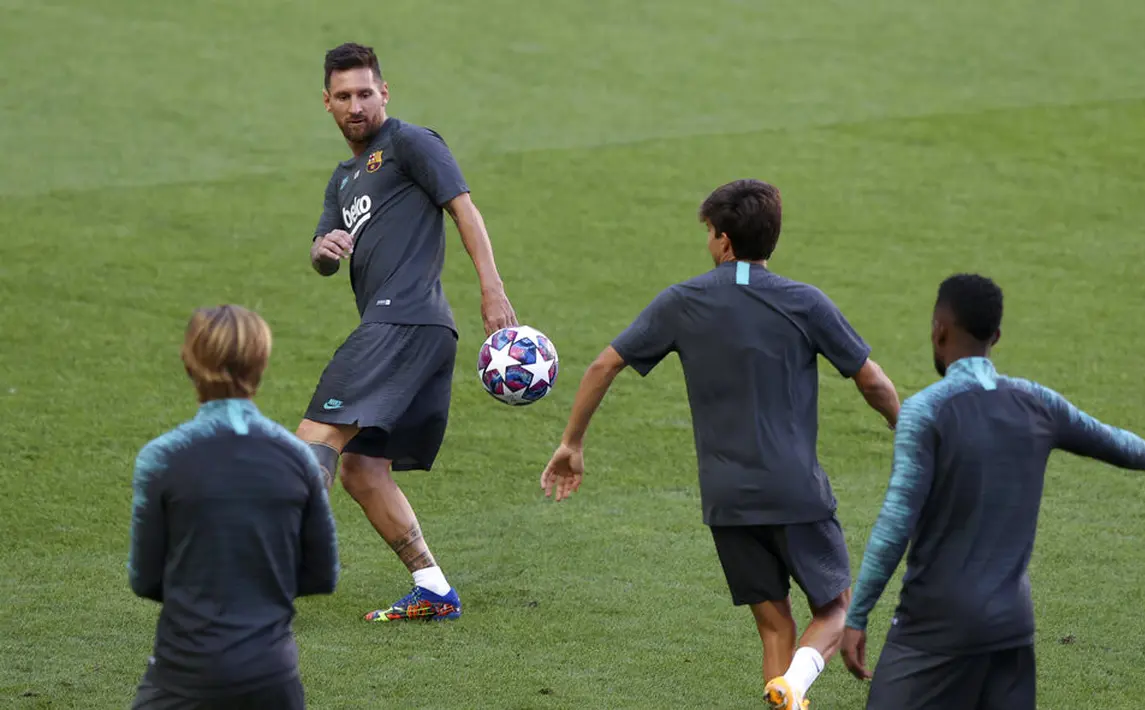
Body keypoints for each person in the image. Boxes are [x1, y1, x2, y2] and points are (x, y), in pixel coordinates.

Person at [539, 179, 902, 709]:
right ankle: (795, 686)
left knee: (774, 624)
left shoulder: (682, 301)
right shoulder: (805, 302)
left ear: (725, 242)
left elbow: (603, 365)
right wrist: (904, 425)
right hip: (795, 491)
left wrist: (572, 442)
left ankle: (785, 692)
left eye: (709, 232)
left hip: (727, 498)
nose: (708, 242)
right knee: (836, 610)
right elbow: (871, 381)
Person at [840, 273, 1145, 710]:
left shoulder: (926, 412)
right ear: (996, 336)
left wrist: (857, 615)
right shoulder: (1037, 403)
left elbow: (896, 522)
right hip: (1009, 625)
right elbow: (1111, 441)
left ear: (938, 330)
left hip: (935, 624)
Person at [298, 42, 518, 622]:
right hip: (418, 332)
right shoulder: (343, 180)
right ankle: (434, 589)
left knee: (311, 446)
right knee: (363, 471)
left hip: (404, 320)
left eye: (365, 93)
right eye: (343, 96)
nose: (356, 106)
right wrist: (324, 250)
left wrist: (491, 289)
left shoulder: (411, 143)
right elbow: (324, 257)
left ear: (384, 92)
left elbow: (464, 209)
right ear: (326, 102)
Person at [127, 305, 339, 710]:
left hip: (184, 673)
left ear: (189, 362)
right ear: (261, 363)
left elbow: (145, 579)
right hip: (271, 675)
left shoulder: (162, 458)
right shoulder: (298, 459)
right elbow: (321, 574)